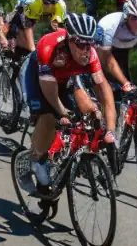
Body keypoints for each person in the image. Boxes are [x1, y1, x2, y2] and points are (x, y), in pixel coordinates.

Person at [22, 11, 117, 190]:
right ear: (69, 40)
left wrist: (110, 131)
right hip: (38, 78)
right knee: (49, 116)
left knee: (91, 112)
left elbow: (104, 91)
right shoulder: (49, 46)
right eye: (81, 44)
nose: (86, 50)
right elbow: (49, 92)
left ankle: (72, 153)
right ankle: (37, 160)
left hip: (66, 78)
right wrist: (63, 112)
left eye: (90, 44)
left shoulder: (91, 55)